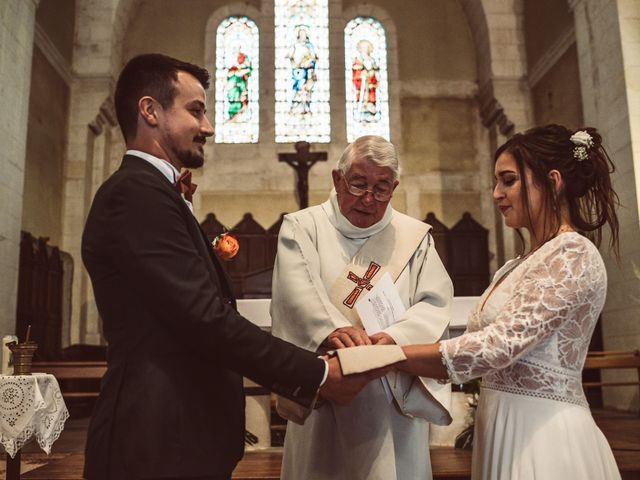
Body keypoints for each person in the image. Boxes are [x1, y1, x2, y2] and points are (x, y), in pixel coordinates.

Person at [81, 53, 382, 480]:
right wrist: (319, 374)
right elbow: (206, 318)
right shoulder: (135, 194)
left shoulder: (154, 193)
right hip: (154, 441)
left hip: (178, 436)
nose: (208, 127)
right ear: (149, 110)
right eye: (196, 111)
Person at [396, 124, 621, 479]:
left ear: (553, 180)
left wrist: (392, 357)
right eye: (497, 182)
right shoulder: (515, 265)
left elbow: (499, 345)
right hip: (501, 423)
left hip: (543, 436)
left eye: (509, 180)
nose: (496, 193)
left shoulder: (572, 254)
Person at [271, 135, 454, 480]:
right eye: (358, 184)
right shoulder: (304, 227)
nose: (368, 199)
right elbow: (296, 296)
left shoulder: (414, 237)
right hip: (329, 381)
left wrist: (392, 339)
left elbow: (435, 304)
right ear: (338, 180)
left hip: (389, 391)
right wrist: (333, 331)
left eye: (381, 188)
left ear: (394, 187)